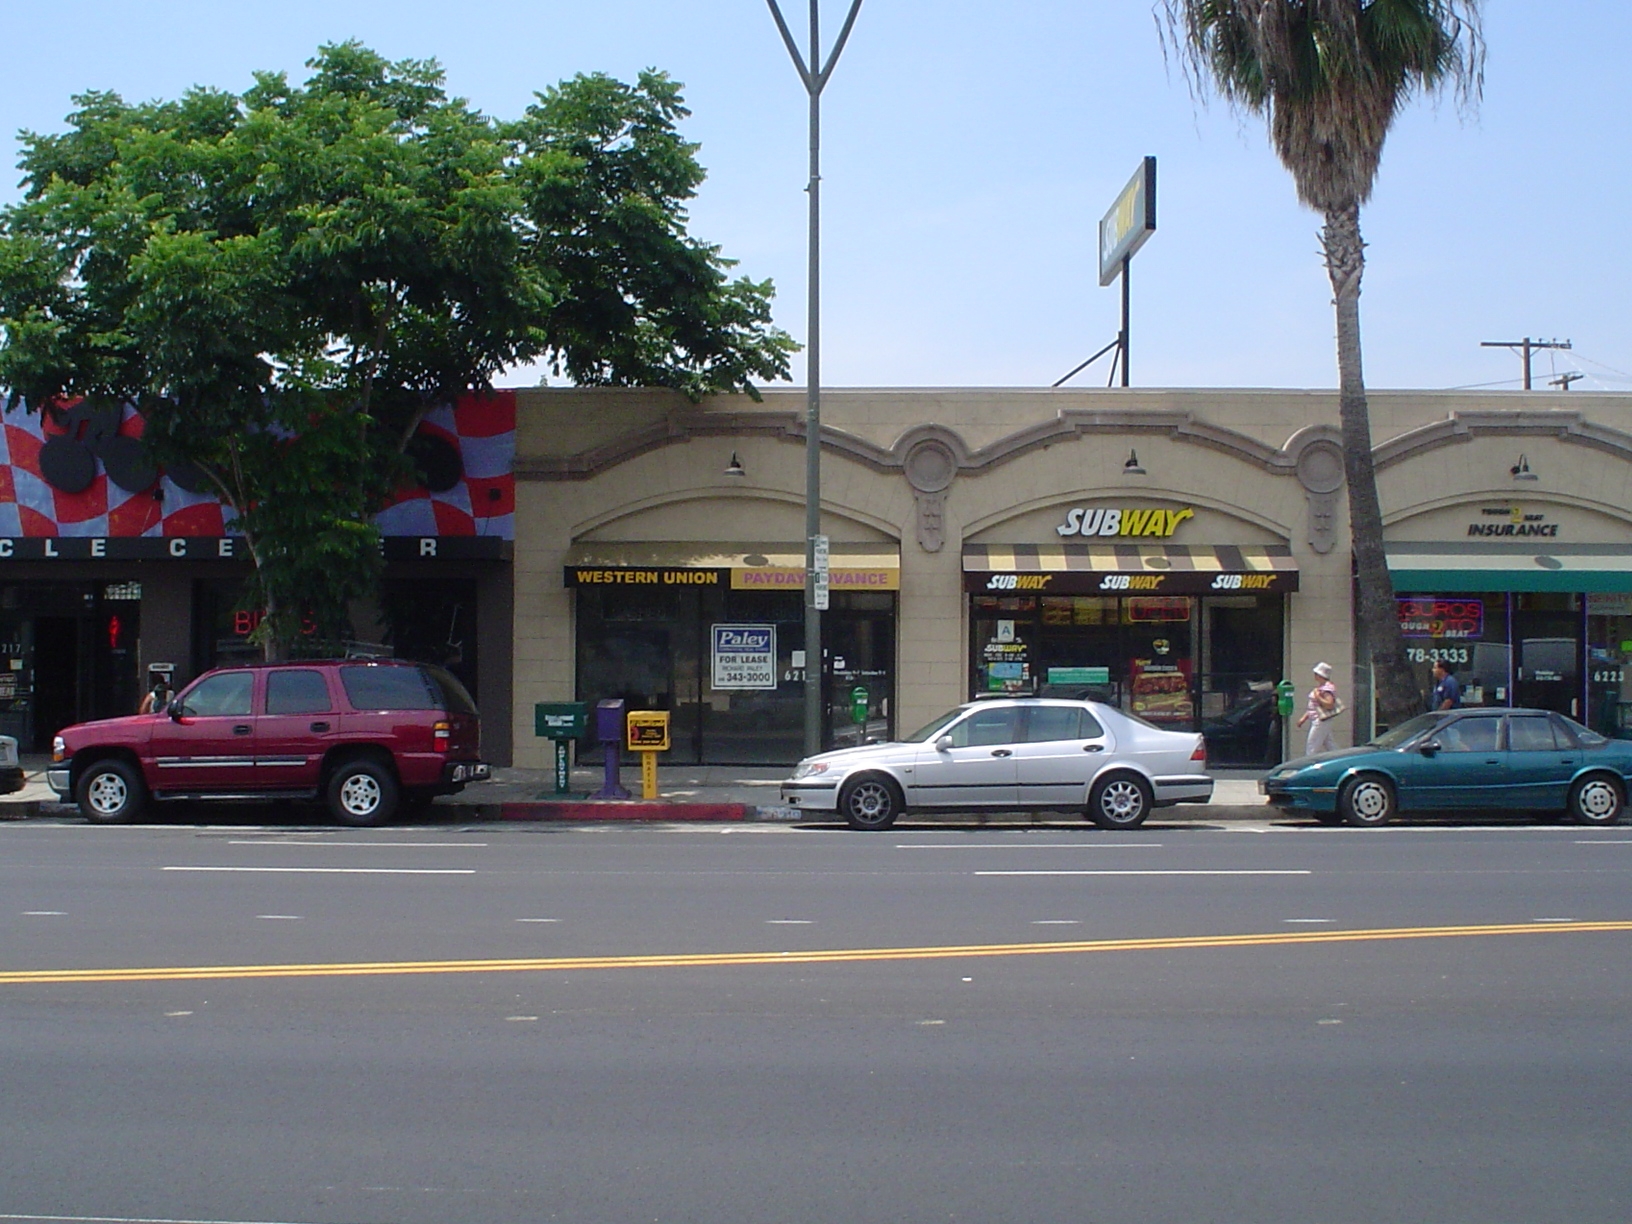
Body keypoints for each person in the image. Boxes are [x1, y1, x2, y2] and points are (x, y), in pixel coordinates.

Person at [1294, 661, 1341, 756]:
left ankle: (1309, 764)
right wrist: (1304, 718)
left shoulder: (1327, 688)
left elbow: (1329, 704)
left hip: (1320, 720)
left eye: (1316, 674)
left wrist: (1317, 696)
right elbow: (1313, 706)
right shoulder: (1321, 687)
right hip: (1320, 720)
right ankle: (1341, 759)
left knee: (1312, 747)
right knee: (1330, 745)